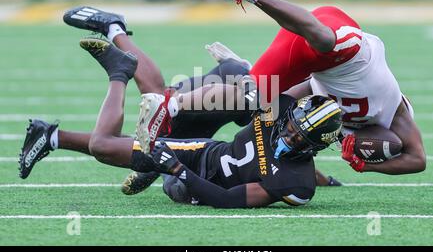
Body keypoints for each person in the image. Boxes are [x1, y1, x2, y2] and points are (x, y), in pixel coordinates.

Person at [18, 35, 343, 208]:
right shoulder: (278, 108)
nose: (290, 136)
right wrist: (239, 68)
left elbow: (228, 199)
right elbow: (249, 92)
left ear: (315, 148)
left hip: (191, 181)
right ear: (292, 114)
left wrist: (176, 170)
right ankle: (120, 73)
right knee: (104, 145)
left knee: (140, 153)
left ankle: (53, 135)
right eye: (292, 128)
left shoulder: (296, 184)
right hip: (200, 150)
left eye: (301, 139)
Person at [213, 0, 426, 175]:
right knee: (324, 41)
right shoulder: (393, 111)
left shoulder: (347, 133)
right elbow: (417, 158)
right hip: (348, 53)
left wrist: (364, 165)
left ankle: (240, 73)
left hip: (311, 68)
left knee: (254, 107)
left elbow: (417, 162)